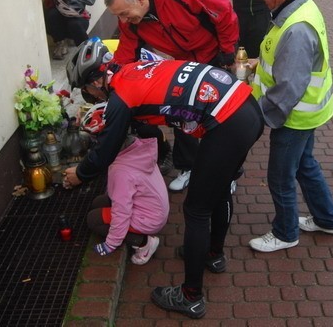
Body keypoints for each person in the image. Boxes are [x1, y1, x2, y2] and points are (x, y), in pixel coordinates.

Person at [62, 54, 264, 319]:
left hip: (227, 121)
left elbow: (106, 151)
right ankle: (212, 255)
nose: (89, 95)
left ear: (97, 81)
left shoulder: (121, 98)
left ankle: (191, 297)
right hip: (245, 107)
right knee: (221, 188)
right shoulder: (132, 71)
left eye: (86, 89)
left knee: (196, 210)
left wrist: (80, 173)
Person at [243, 0, 333, 253]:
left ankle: (285, 233)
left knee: (280, 175)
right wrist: (260, 63)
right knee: (305, 165)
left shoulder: (296, 27)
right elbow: (288, 64)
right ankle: (327, 218)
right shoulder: (300, 7)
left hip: (293, 117)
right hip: (309, 111)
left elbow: (289, 86)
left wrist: (259, 116)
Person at [105, 0, 239, 192]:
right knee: (181, 113)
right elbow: (126, 52)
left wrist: (227, 50)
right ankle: (189, 167)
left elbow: (223, 10)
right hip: (184, 62)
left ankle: (227, 173)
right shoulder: (131, 21)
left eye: (124, 14)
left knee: (219, 118)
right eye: (118, 16)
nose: (123, 21)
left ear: (140, 0)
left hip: (215, 54)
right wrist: (110, 77)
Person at [85, 131, 169, 266]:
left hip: (148, 219)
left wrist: (112, 243)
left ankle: (144, 242)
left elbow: (122, 211)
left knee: (93, 219)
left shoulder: (122, 172)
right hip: (153, 209)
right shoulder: (137, 149)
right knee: (98, 202)